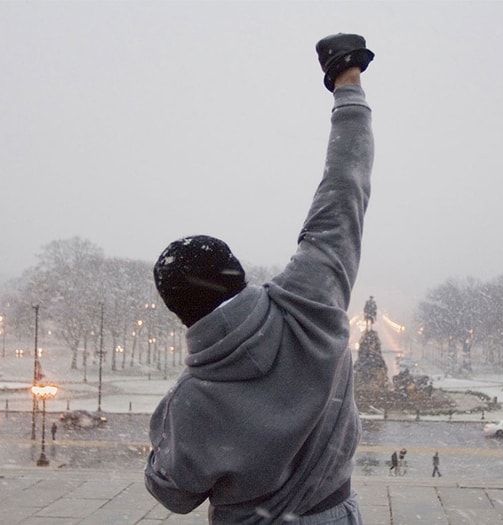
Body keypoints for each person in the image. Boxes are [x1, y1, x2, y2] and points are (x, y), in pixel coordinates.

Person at [145, 32, 375, 524]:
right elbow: (345, 186)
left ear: (178, 311)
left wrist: (165, 429)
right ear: (238, 272)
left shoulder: (192, 401)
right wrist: (346, 82)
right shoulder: (310, 299)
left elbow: (173, 492)